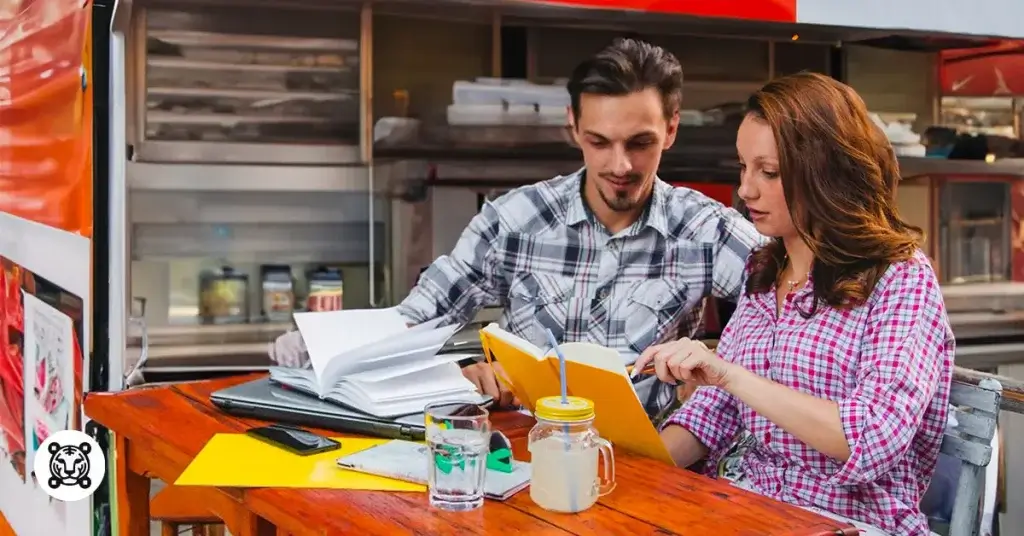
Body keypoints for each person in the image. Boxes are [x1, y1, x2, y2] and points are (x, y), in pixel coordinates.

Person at [270, 37, 765, 417]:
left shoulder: (706, 230)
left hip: (655, 464)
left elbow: (801, 310)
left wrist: (712, 357)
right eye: (598, 141)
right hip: (529, 457)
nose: (620, 164)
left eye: (640, 143)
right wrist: (325, 347)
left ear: (672, 129)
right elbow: (417, 320)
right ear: (573, 126)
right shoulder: (514, 220)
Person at [634, 72, 954, 535]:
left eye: (770, 172)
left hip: (848, 522)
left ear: (827, 171)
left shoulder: (901, 278)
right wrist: (626, 468)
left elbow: (874, 436)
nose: (746, 191)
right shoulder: (764, 273)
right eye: (743, 168)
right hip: (747, 510)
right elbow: (716, 413)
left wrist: (730, 374)